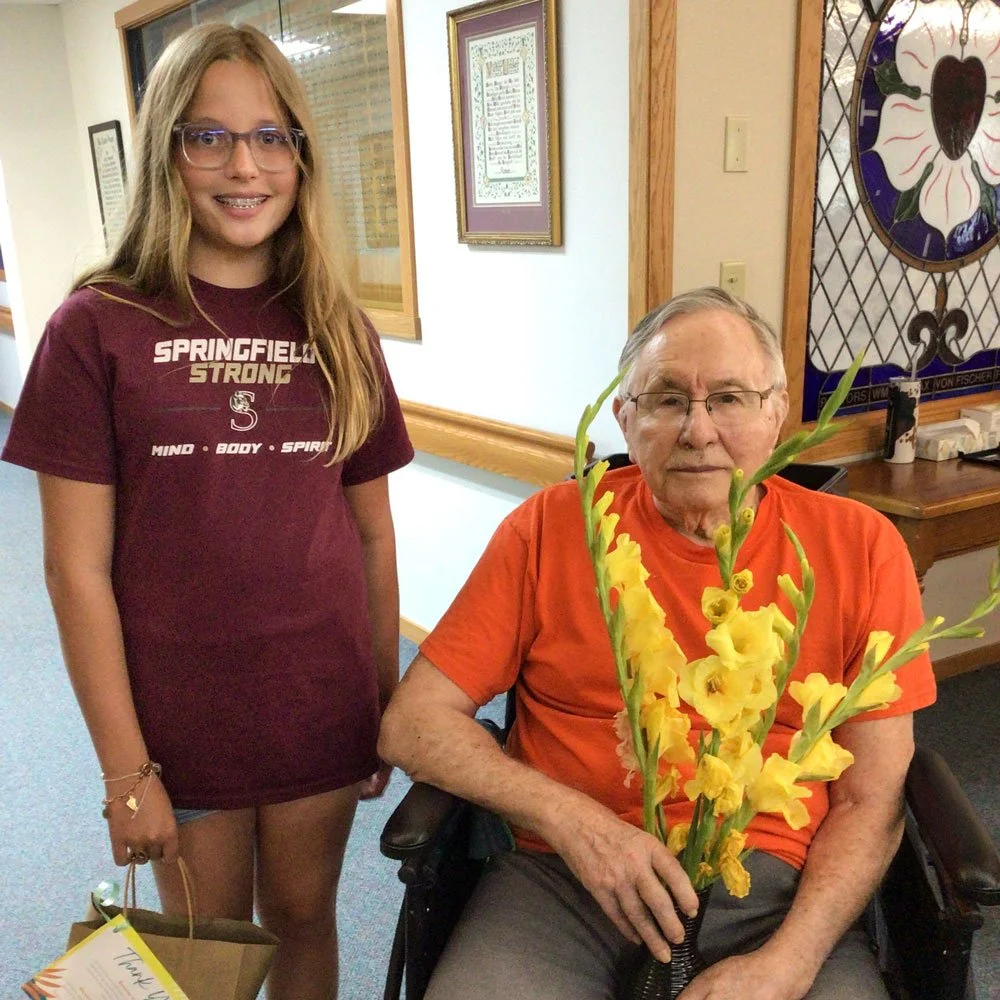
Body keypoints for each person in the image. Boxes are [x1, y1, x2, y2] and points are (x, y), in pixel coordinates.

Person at [2, 23, 413, 1000]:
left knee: (306, 918)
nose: (245, 166)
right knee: (204, 950)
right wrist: (124, 770)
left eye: (271, 136)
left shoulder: (336, 326)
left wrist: (380, 697)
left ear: (300, 156)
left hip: (315, 697)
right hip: (178, 717)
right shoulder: (96, 328)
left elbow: (370, 531)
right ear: (166, 152)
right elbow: (74, 570)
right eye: (209, 137)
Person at [378, 287, 937, 1000]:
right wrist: (573, 820)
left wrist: (789, 963)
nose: (698, 431)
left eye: (729, 398)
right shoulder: (551, 528)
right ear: (625, 417)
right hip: (567, 873)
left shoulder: (862, 548)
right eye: (668, 400)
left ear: (776, 412)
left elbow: (870, 801)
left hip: (777, 893)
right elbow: (412, 723)